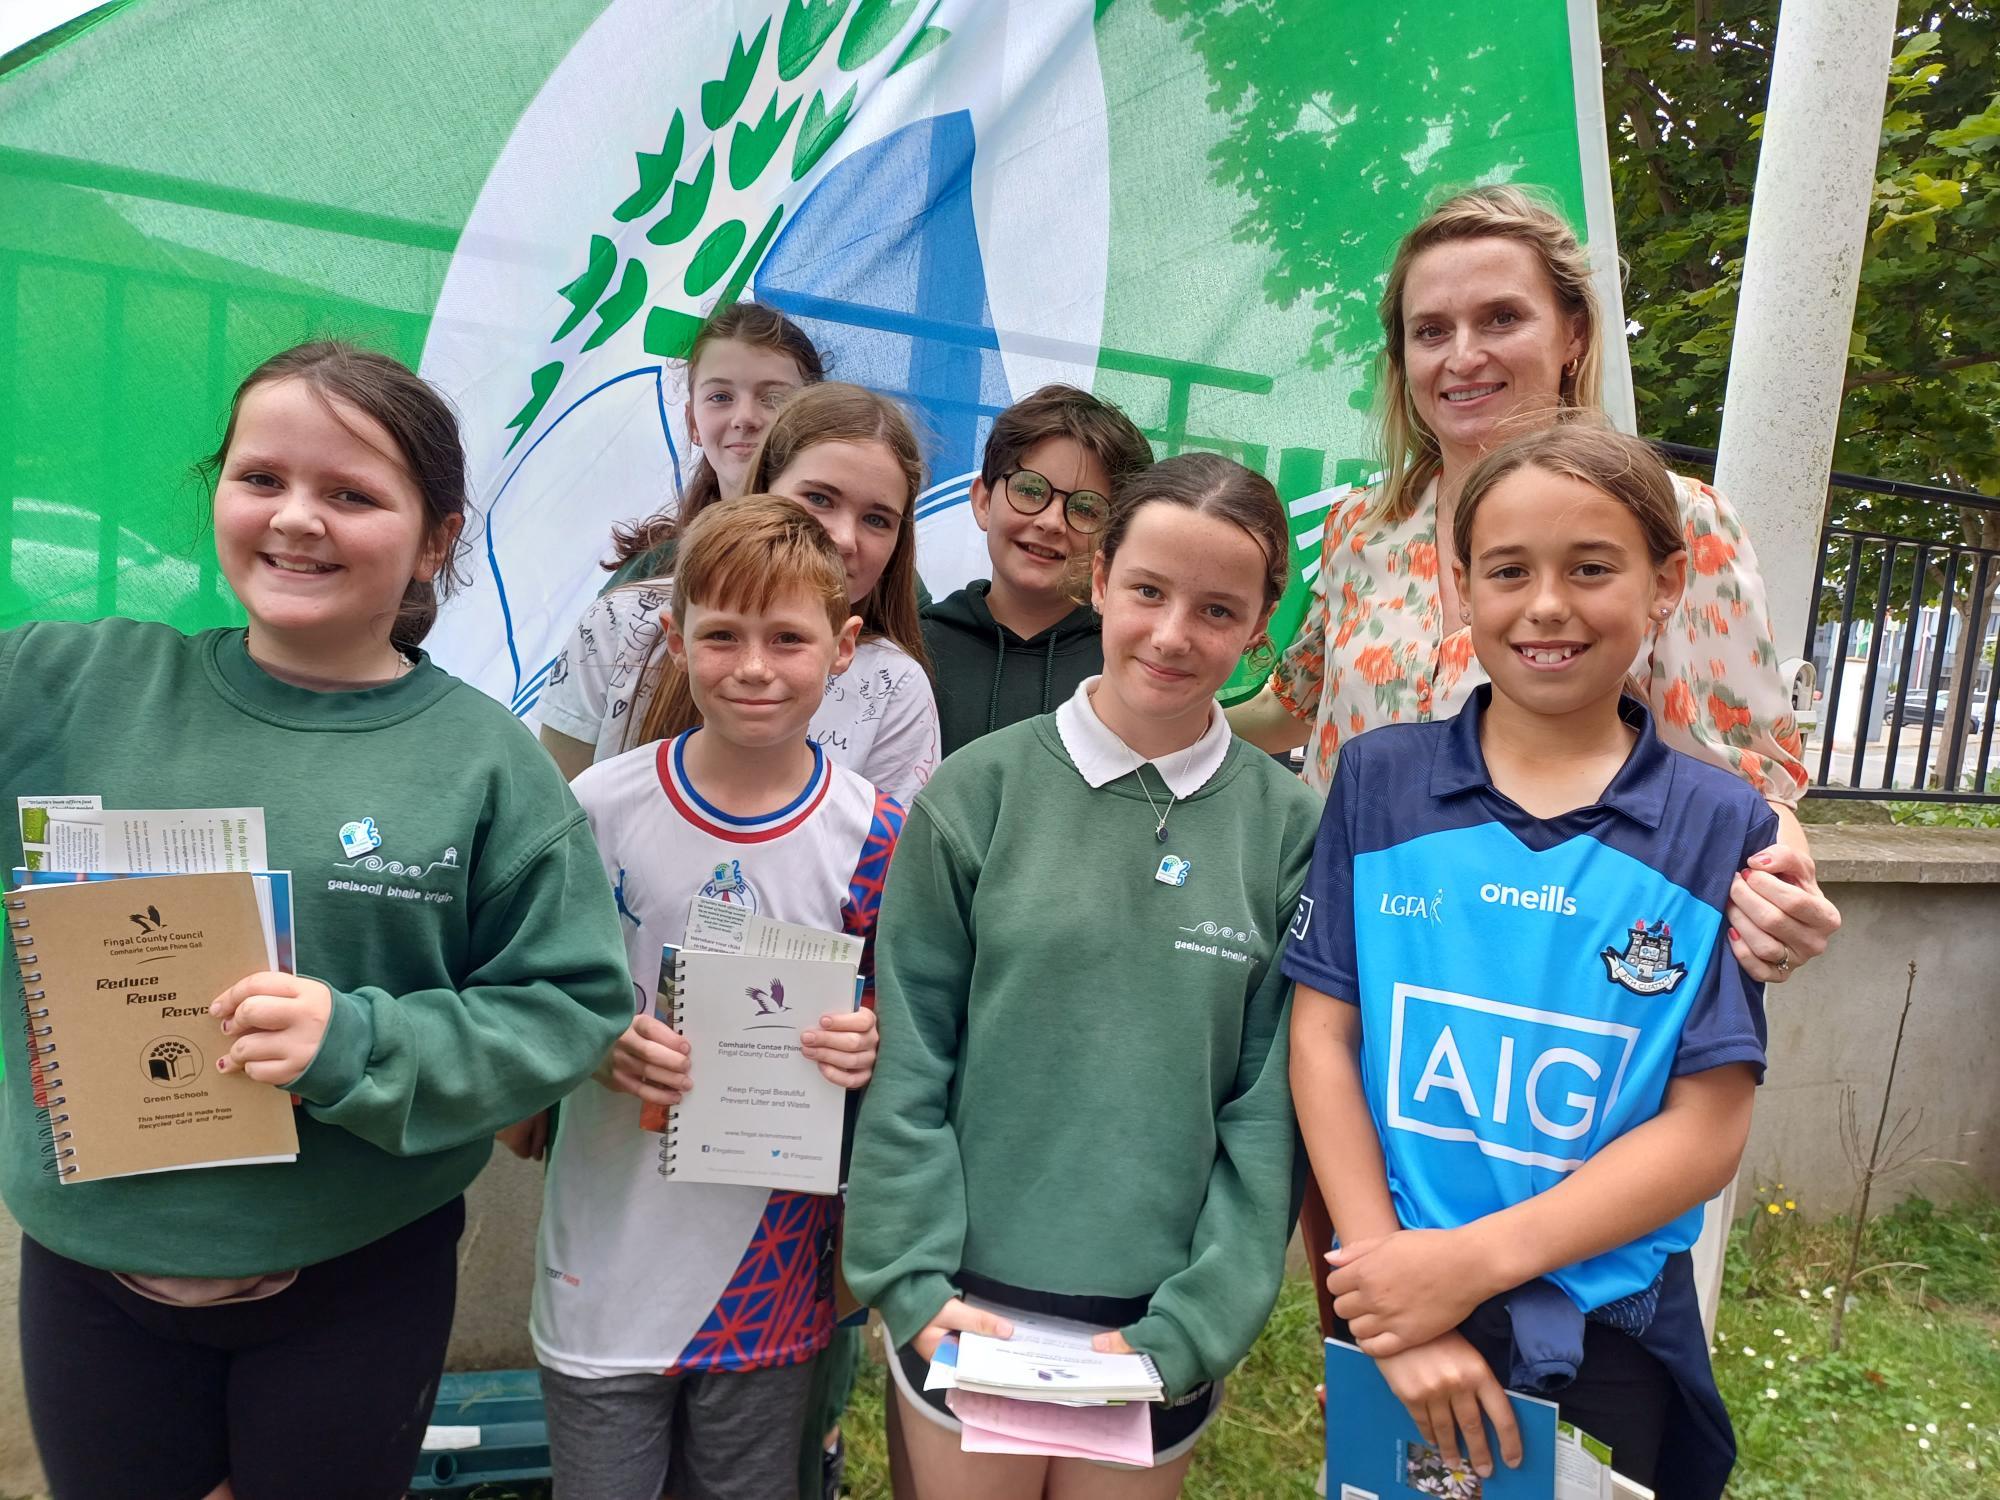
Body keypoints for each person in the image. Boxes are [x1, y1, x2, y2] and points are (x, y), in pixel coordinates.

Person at [1, 341, 633, 1500]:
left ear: (436, 537)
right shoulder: (60, 689)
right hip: (90, 1278)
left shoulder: (481, 761)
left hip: (353, 1282)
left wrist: (359, 1043)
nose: (298, 519)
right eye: (262, 479)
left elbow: (573, 1004)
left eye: (352, 493)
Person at [1287, 422, 1776, 1500]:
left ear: (1664, 585)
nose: (1546, 604)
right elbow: (1322, 1037)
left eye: (1590, 568)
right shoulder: (1377, 783)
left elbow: (1706, 1126)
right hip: (1395, 1289)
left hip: (1605, 1333)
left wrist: (1466, 1265)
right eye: (1507, 571)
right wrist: (1387, 1296)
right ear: (1459, 593)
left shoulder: (1717, 826)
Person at [846, 453, 1321, 1498]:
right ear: (1098, 578)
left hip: (1154, 1329)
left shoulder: (1290, 831)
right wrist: (911, 1280)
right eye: (1147, 591)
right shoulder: (977, 793)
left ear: (1260, 622)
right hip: (968, 1305)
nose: (1170, 633)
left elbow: (1269, 1102)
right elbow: (910, 1054)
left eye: (1214, 609)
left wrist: (1194, 1324)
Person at [1227, 186, 1838, 989]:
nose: (1463, 355)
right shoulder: (1363, 527)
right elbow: (1299, 708)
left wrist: (1781, 887)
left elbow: (1750, 783)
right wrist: (1131, 719)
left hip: (1552, 976)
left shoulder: (1674, 519)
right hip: (1345, 961)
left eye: (1502, 318)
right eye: (1431, 331)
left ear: (1574, 334)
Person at [523, 495, 896, 1500]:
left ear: (844, 647)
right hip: (603, 1253)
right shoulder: (598, 808)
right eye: (721, 635)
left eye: (786, 637)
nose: (754, 666)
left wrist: (870, 1050)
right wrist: (598, 1040)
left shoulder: (875, 837)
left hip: (765, 1277)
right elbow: (529, 998)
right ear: (674, 641)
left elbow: (909, 1040)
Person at [538, 382, 939, 804]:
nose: (843, 537)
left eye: (877, 520)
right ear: (763, 486)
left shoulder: (896, 686)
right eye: (819, 498)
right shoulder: (620, 621)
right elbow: (555, 817)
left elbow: (885, 860)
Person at [922, 385, 1153, 757]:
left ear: (1115, 539)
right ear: (983, 501)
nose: (1051, 522)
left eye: (1087, 509)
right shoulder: (914, 646)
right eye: (1030, 490)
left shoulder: (1132, 663)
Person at [601, 301, 825, 589]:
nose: (745, 418)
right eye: (720, 397)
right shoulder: (649, 572)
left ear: (816, 418)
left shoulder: (849, 555)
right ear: (693, 423)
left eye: (773, 399)